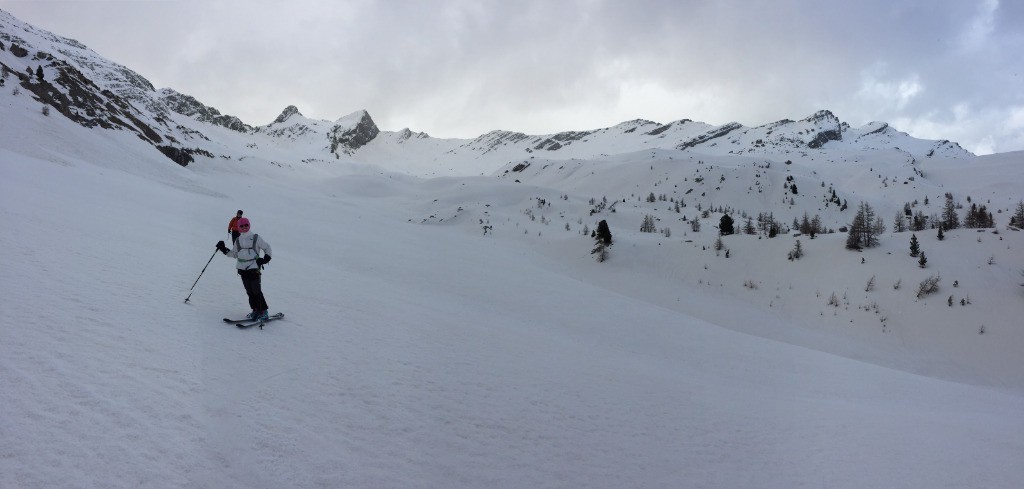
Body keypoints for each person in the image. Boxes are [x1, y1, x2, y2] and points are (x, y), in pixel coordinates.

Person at [216, 217, 272, 320]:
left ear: (249, 225)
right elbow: (234, 254)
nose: (244, 227)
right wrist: (223, 249)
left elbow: (267, 248)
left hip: (254, 267)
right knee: (249, 291)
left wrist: (265, 259)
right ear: (238, 227)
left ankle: (264, 311)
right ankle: (255, 310)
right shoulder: (238, 240)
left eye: (246, 225)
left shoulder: (255, 237)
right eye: (241, 226)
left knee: (256, 290)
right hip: (242, 269)